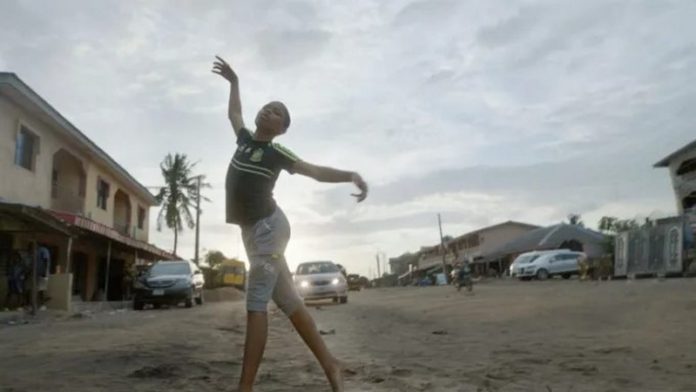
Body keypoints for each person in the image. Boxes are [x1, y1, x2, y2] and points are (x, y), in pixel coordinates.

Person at [213, 56, 368, 392]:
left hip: (269, 230)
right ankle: (332, 366)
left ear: (282, 128)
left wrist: (349, 175)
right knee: (290, 303)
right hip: (251, 233)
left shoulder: (276, 151)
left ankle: (245, 388)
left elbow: (314, 171)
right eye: (268, 107)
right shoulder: (244, 140)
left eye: (278, 112)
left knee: (256, 304)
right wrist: (235, 81)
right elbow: (234, 113)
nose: (270, 110)